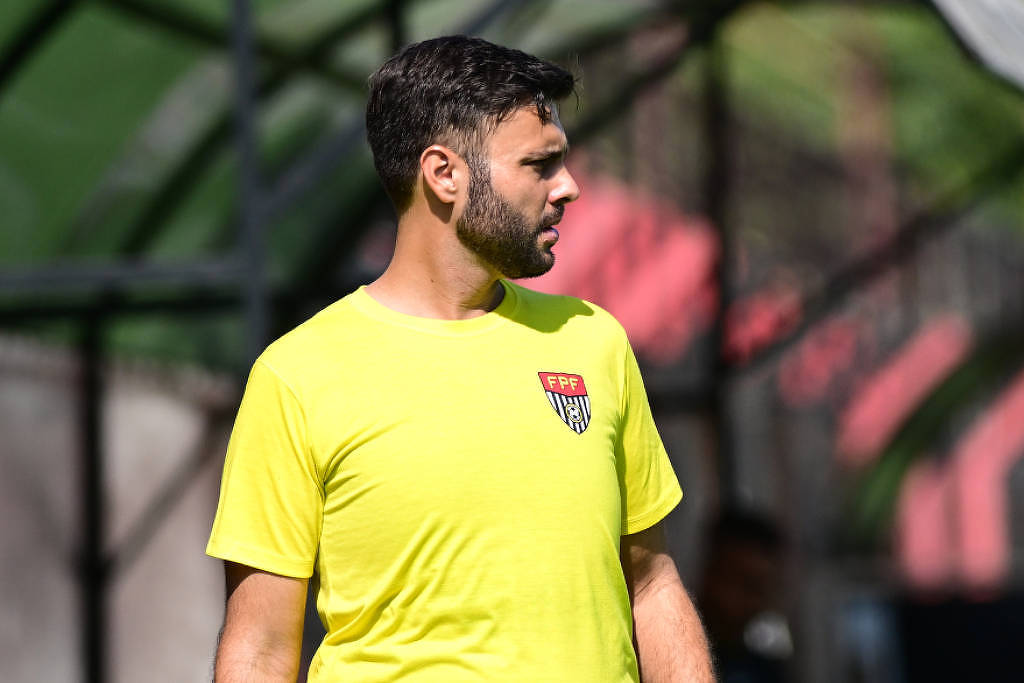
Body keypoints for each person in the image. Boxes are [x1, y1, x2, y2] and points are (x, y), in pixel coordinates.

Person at [207, 35, 714, 682]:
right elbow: (260, 649)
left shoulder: (594, 341)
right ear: (444, 174)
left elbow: (653, 584)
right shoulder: (298, 375)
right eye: (540, 164)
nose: (568, 187)